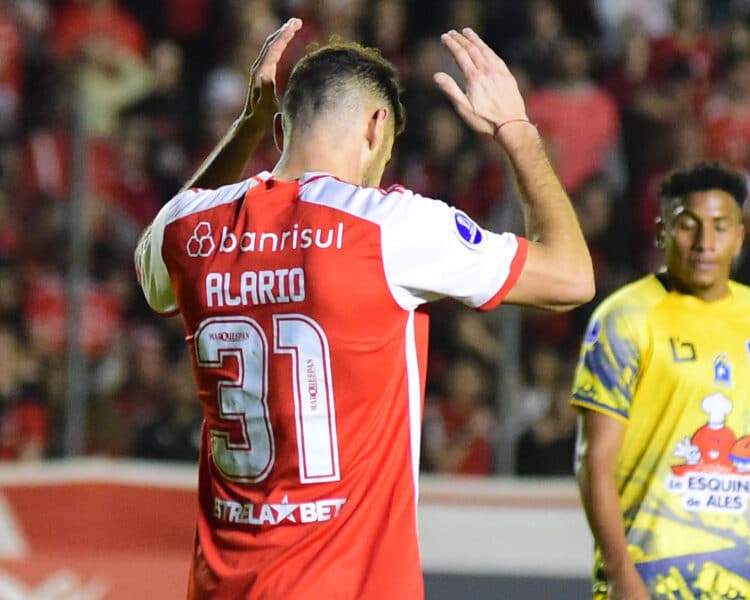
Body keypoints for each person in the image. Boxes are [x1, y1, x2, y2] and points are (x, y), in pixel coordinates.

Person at [134, 18, 593, 600]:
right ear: (378, 128)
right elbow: (571, 277)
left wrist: (245, 130)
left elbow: (156, 275)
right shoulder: (388, 226)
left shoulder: (189, 228)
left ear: (280, 128)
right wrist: (517, 131)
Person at [571, 162, 750, 599]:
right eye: (688, 226)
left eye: (719, 227)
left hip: (744, 583)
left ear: (740, 237)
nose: (704, 243)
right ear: (661, 232)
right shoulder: (625, 320)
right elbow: (593, 460)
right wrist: (621, 574)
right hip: (650, 581)